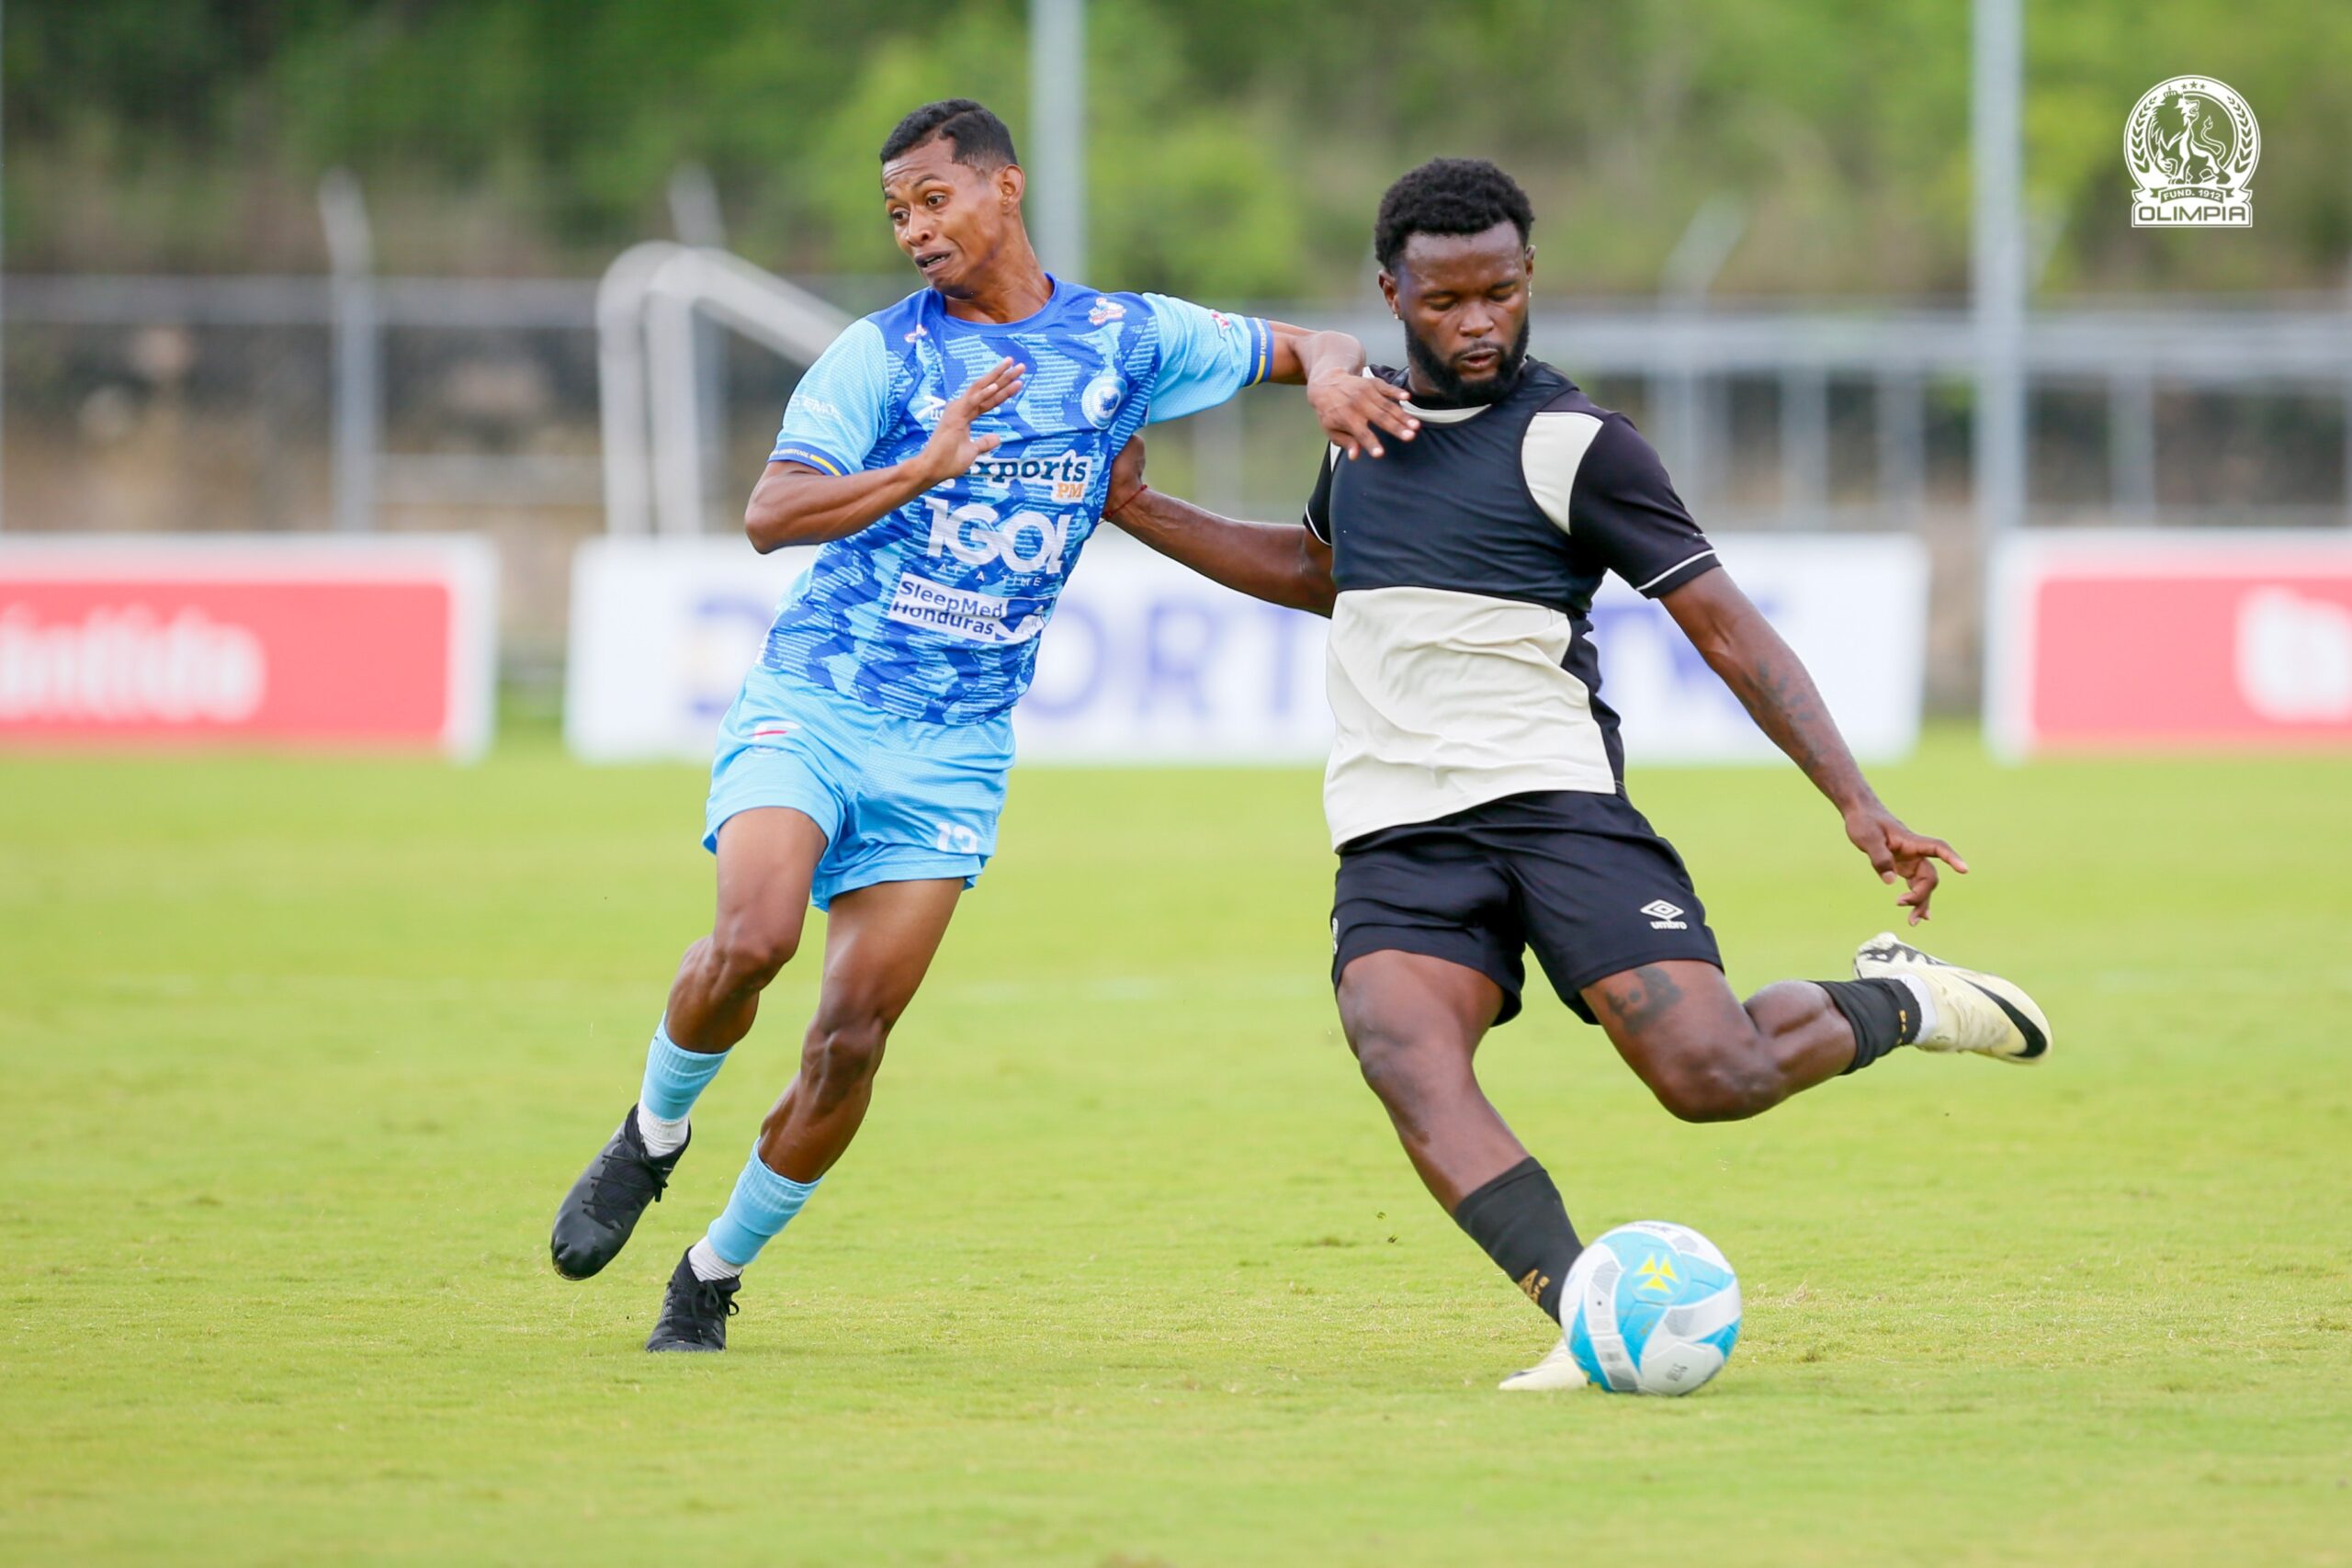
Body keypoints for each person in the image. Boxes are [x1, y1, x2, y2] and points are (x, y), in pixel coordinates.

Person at [1100, 157, 2051, 1390]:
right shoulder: (1362, 432)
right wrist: (1139, 508)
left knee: (1714, 1080)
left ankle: (1908, 1001)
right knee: (1401, 1050)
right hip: (1396, 830)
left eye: (1500, 291)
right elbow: (1324, 574)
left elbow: (1727, 628)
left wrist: (1858, 801)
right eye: (1446, 300)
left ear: (1529, 275)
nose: (1479, 320)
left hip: (1554, 806)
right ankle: (1586, 1309)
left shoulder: (1576, 443)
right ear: (1393, 292)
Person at [548, 99, 1418, 1353]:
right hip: (821, 699)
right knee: (752, 940)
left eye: (934, 200)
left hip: (955, 747)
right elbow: (771, 513)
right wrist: (921, 467)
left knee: (851, 1041)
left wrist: (1336, 376)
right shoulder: (881, 357)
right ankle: (652, 1135)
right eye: (896, 212)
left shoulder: (1130, 337)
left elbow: (1315, 341)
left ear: (1004, 189)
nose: (914, 229)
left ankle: (711, 1274)